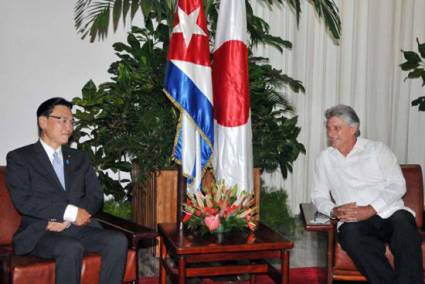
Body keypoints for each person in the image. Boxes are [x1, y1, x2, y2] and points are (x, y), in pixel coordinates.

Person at [6, 97, 128, 284]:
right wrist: (67, 213)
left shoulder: (80, 158)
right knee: (70, 248)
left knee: (117, 240)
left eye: (71, 121)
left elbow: (95, 196)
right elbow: (24, 201)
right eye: (62, 120)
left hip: (77, 228)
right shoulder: (20, 158)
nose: (69, 127)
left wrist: (71, 219)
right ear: (43, 122)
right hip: (42, 231)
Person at [311, 104, 423, 284]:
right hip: (353, 220)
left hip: (389, 212)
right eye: (328, 128)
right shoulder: (324, 159)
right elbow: (318, 195)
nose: (331, 134)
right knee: (350, 234)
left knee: (405, 227)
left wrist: (371, 209)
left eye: (336, 128)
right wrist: (334, 211)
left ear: (353, 129)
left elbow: (398, 185)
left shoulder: (378, 150)